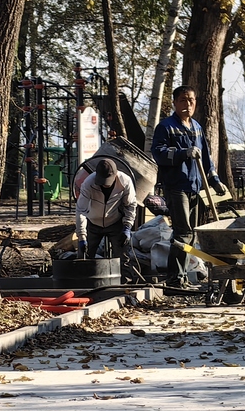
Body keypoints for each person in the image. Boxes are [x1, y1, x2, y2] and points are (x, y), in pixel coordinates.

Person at [151, 85, 227, 286]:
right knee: (183, 232)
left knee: (191, 233)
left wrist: (215, 180)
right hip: (176, 186)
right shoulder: (166, 127)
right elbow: (158, 153)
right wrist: (182, 153)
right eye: (183, 100)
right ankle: (175, 278)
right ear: (175, 103)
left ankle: (183, 275)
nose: (188, 104)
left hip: (194, 187)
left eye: (191, 100)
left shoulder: (197, 128)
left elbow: (206, 159)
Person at [75, 158, 138, 260]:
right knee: (83, 257)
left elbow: (130, 205)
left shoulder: (125, 182)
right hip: (93, 223)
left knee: (123, 258)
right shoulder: (88, 183)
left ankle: (124, 271)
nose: (104, 184)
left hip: (115, 222)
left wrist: (127, 226)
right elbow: (81, 210)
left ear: (115, 175)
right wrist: (82, 236)